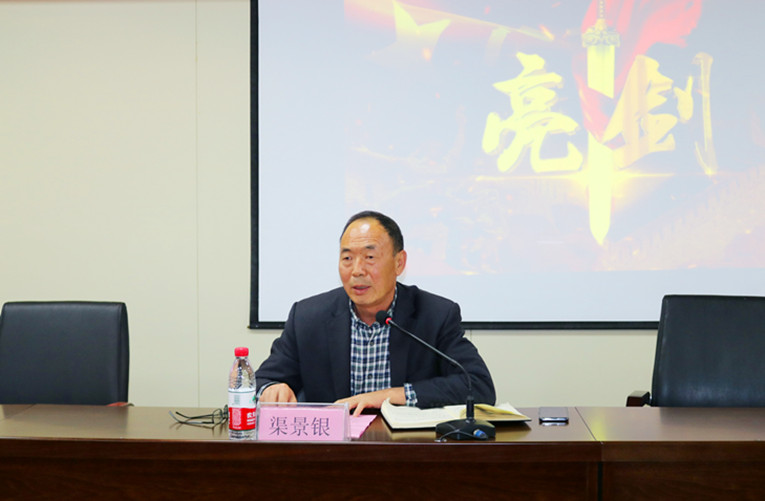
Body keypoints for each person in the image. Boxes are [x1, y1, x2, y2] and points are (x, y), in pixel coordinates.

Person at [255, 210, 495, 416]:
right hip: (332, 449)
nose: (357, 270)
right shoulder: (308, 317)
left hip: (405, 447)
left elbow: (478, 386)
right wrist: (271, 388)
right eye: (347, 258)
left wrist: (388, 397)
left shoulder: (435, 315)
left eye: (370, 257)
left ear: (399, 263)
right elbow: (261, 380)